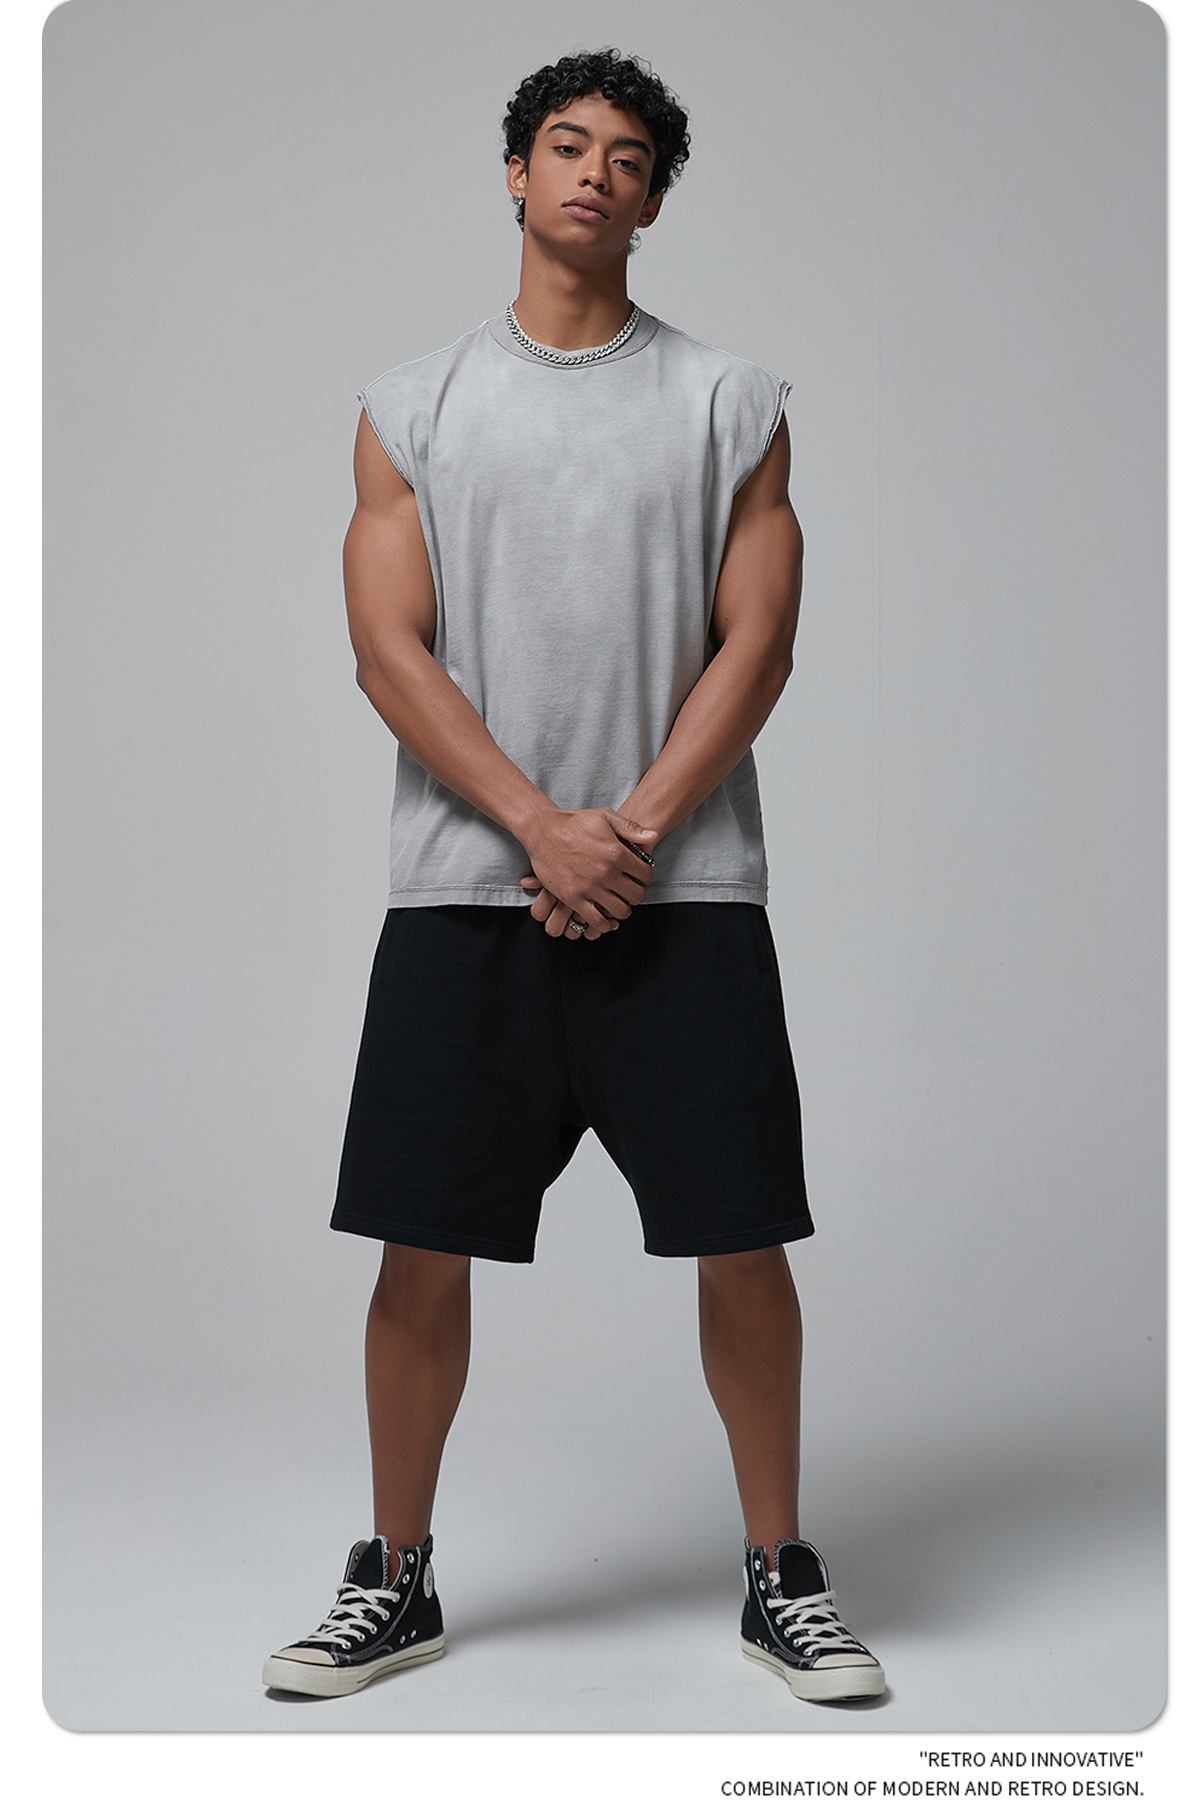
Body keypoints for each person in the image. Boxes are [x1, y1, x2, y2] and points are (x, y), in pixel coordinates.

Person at [262, 46, 884, 1708]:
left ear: (654, 198)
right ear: (516, 174)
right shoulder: (411, 407)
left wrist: (635, 829)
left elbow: (760, 643)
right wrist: (540, 826)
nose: (595, 173)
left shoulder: (731, 402)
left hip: (687, 900)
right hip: (464, 898)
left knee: (742, 1243)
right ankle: (395, 1580)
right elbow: (387, 651)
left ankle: (782, 1577)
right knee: (419, 1251)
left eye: (627, 157)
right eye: (566, 144)